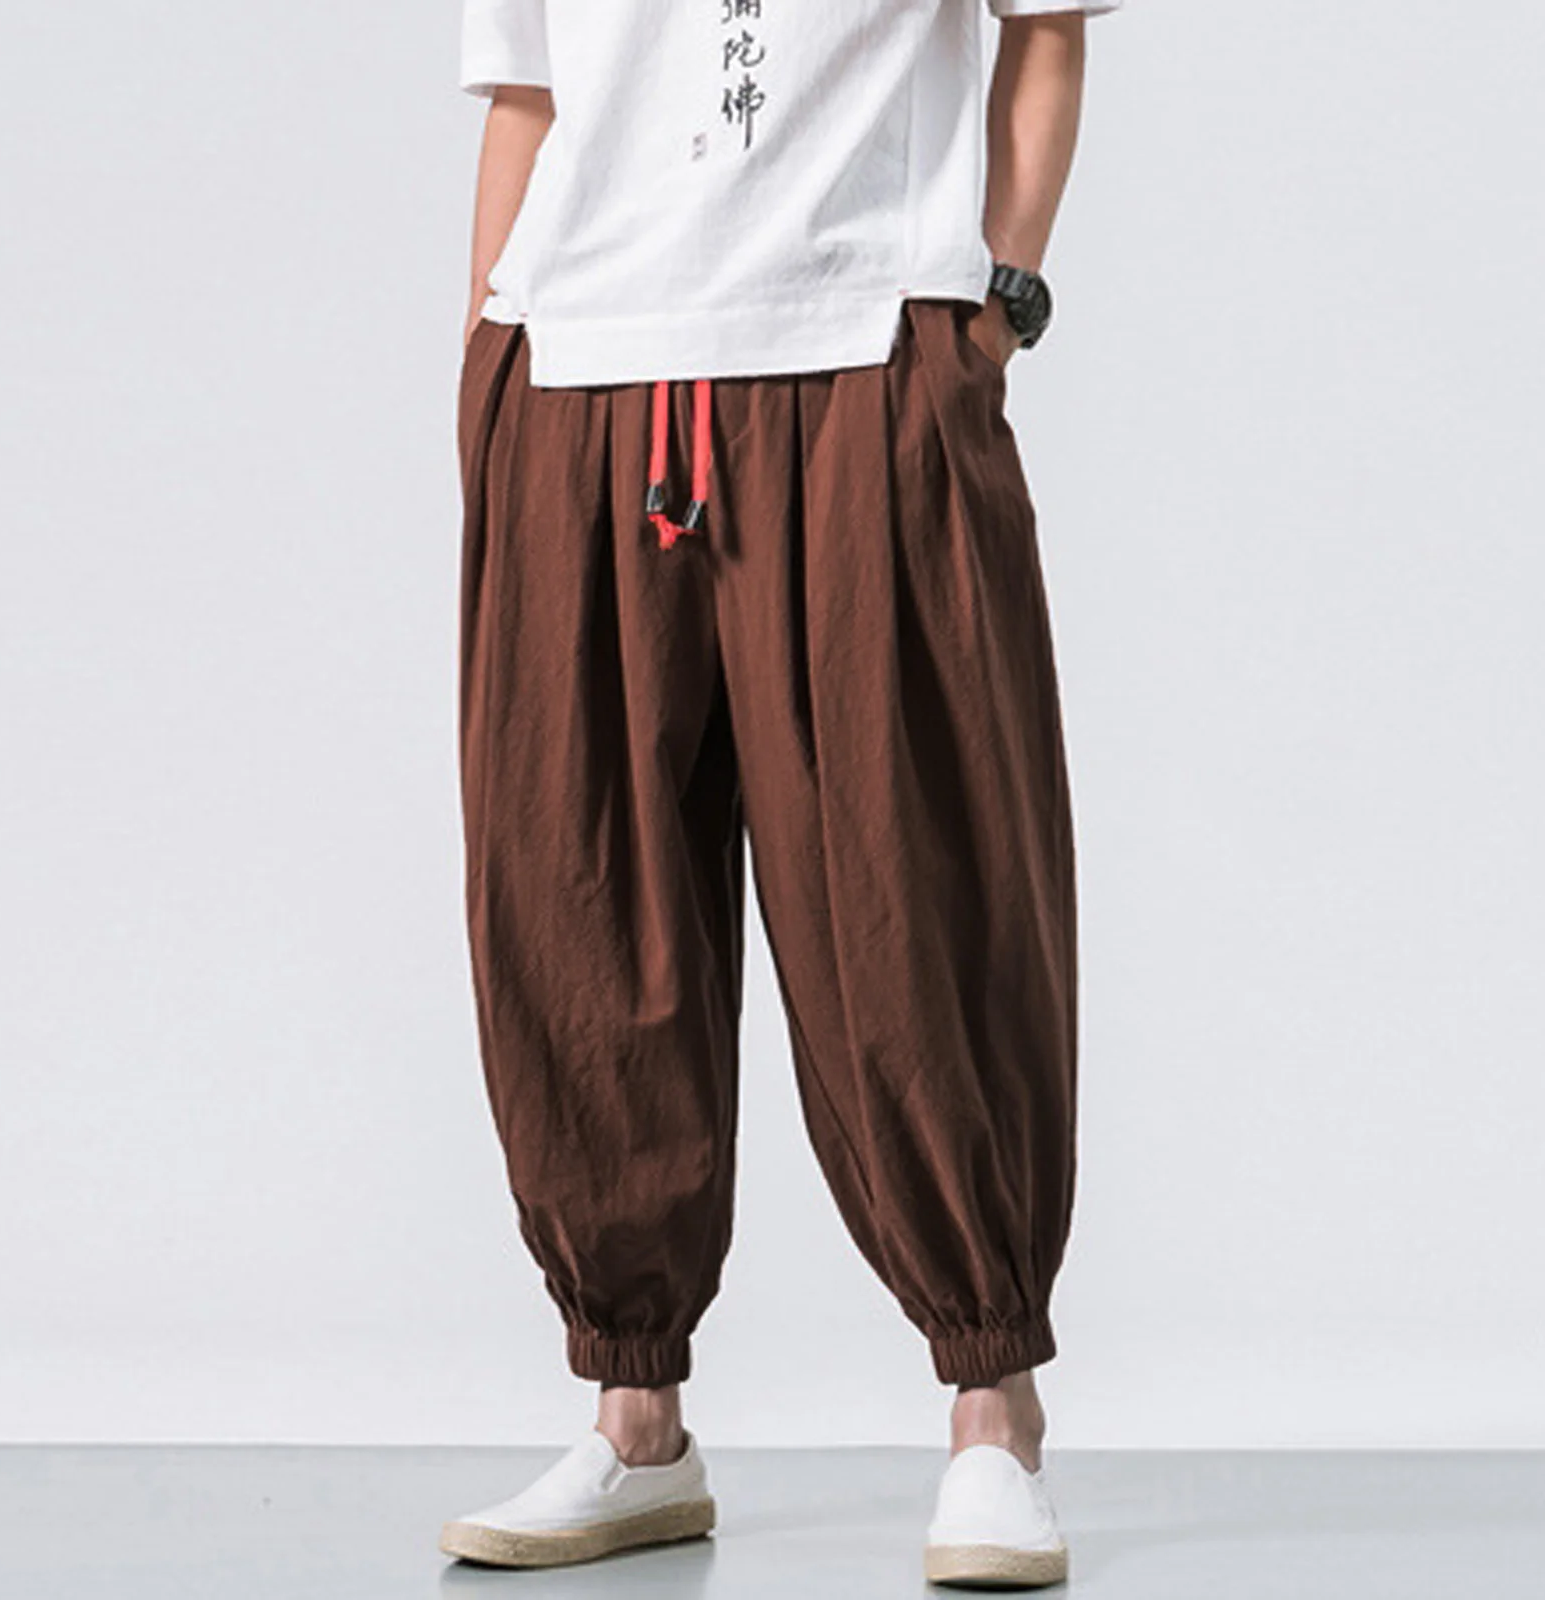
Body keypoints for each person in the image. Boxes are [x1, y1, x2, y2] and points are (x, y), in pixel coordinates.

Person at [439, 0, 1122, 1586]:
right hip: (578, 373)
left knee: (913, 896)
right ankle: (635, 1418)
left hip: (864, 356)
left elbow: (1049, 28)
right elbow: (528, 97)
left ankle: (991, 1406)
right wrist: (483, 375)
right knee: (581, 902)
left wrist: (994, 312)